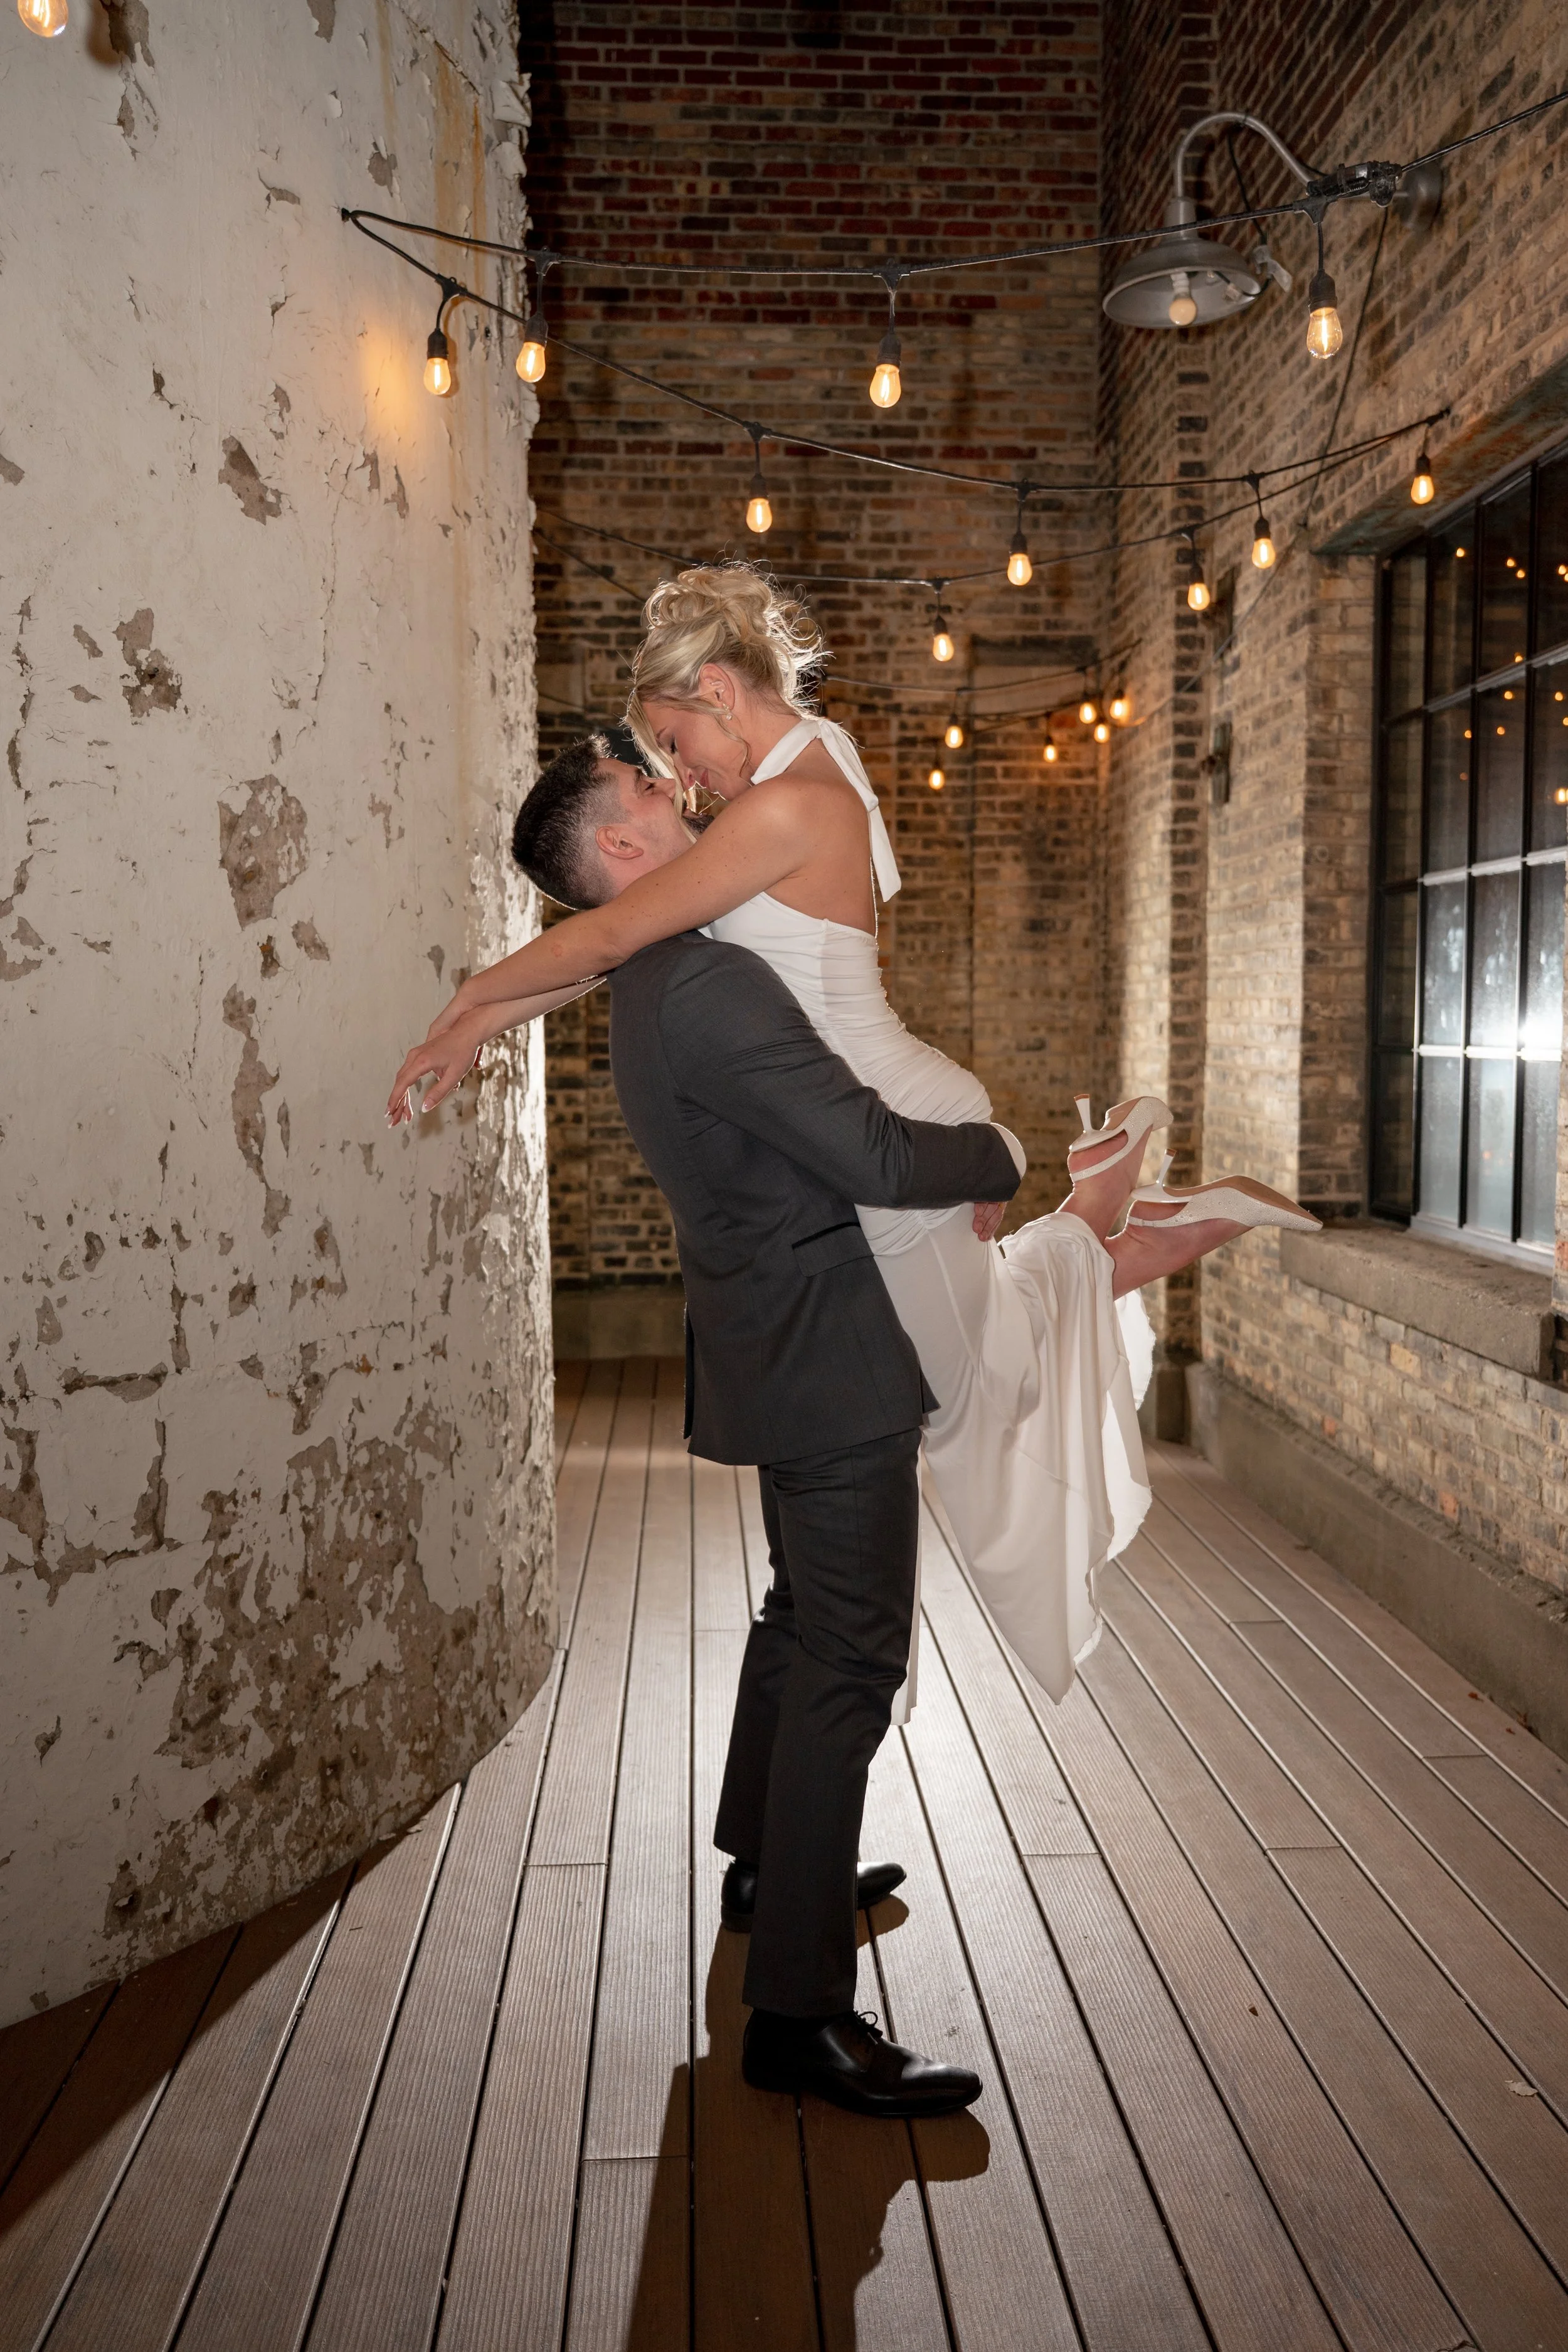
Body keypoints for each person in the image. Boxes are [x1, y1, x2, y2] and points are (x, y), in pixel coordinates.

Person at [388, 573, 1319, 1709]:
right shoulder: (801, 770)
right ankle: (1126, 1216)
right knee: (981, 1376)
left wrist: (455, 1004)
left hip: (891, 1116)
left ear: (723, 692)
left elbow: (618, 926)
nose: (680, 769)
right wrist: (474, 1022)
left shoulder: (783, 809)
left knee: (984, 1399)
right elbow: (604, 952)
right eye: (662, 757)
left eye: (677, 740)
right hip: (890, 1099)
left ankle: (1105, 1211)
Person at [415, 726, 1020, 2116]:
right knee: (851, 1665)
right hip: (825, 1357)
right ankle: (796, 2017)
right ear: (622, 851)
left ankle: (762, 1859)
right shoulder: (710, 984)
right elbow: (869, 1152)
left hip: (774, 1335)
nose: (677, 791)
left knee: (802, 1617)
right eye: (648, 789)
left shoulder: (649, 977)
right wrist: (998, 1150)